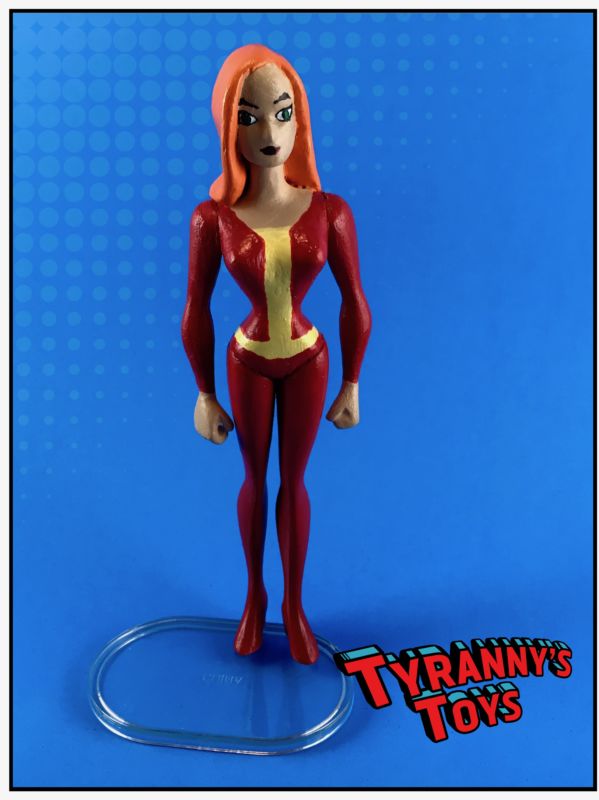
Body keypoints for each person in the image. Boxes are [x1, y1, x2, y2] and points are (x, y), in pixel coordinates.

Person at [181, 44, 371, 664]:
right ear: (227, 126)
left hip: (309, 359)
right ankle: (254, 598)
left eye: (282, 113)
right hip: (249, 360)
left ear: (300, 120)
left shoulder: (329, 211)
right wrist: (204, 394)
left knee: (294, 480)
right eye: (249, 116)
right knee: (254, 479)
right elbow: (196, 308)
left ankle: (293, 603)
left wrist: (352, 382)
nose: (268, 132)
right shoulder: (213, 218)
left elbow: (354, 301)